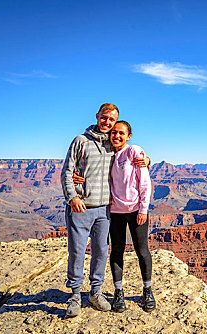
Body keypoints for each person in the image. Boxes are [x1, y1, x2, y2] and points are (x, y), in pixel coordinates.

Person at [61, 104, 148, 318]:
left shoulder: (113, 144)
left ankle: (95, 291)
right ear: (97, 116)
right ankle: (74, 296)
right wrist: (72, 197)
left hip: (105, 210)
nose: (108, 123)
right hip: (81, 207)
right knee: (77, 252)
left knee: (100, 252)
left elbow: (132, 161)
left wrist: (147, 161)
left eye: (112, 120)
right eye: (105, 118)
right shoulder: (81, 141)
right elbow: (67, 171)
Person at [108, 120, 155, 313]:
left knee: (141, 250)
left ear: (128, 136)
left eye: (121, 133)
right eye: (114, 133)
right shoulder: (108, 154)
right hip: (114, 211)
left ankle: (147, 290)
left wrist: (143, 209)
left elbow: (144, 182)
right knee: (116, 251)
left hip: (136, 210)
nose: (117, 136)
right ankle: (118, 293)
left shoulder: (134, 151)